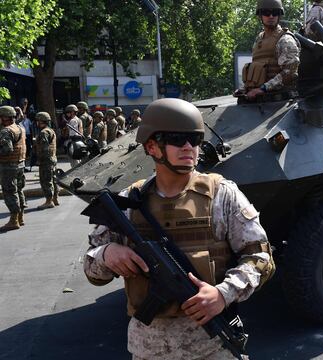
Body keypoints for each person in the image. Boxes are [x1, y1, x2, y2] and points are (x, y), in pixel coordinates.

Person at [82, 98, 275, 360]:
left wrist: (223, 293)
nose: (188, 147)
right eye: (177, 139)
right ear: (151, 146)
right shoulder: (129, 201)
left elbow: (261, 258)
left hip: (212, 346)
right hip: (149, 349)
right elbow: (93, 272)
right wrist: (107, 254)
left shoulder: (222, 195)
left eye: (194, 140)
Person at [235, 0, 300, 100]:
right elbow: (258, 70)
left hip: (279, 101)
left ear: (279, 16)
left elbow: (290, 73)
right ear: (260, 16)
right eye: (266, 12)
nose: (271, 16)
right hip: (261, 100)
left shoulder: (285, 39)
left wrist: (263, 88)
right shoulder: (259, 39)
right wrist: (246, 88)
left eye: (275, 13)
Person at [0, 106, 27, 232]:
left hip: (9, 166)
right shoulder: (19, 128)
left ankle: (14, 220)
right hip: (20, 164)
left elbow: (7, 150)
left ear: (4, 117)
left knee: (10, 192)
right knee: (19, 190)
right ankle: (20, 218)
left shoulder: (6, 131)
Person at [33, 112, 59, 209]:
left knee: (46, 181)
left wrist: (39, 159)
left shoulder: (44, 132)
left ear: (40, 121)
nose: (37, 123)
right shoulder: (51, 130)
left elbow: (44, 148)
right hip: (52, 159)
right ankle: (55, 199)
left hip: (46, 160)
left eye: (38, 121)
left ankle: (49, 201)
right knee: (53, 180)